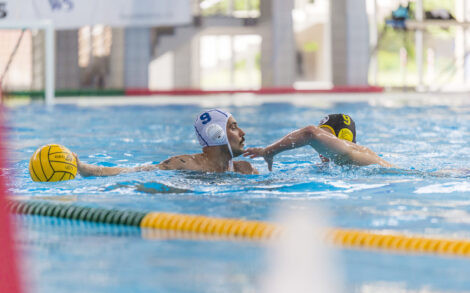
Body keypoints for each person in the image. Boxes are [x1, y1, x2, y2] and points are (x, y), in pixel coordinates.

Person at [75, 109, 259, 176]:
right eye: (234, 127)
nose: (243, 133)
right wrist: (85, 168)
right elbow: (130, 173)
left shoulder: (245, 169)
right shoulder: (184, 164)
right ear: (216, 134)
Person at [243, 113, 393, 170]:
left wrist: (268, 151)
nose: (319, 146)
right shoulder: (345, 162)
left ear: (340, 139)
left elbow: (310, 132)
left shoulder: (348, 155)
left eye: (326, 136)